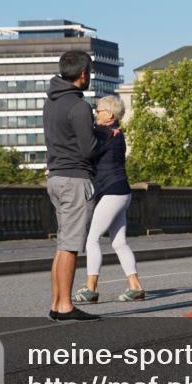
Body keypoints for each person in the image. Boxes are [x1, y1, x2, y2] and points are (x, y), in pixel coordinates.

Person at [43, 50, 112, 321]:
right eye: (89, 74)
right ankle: (65, 307)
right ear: (83, 75)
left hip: (56, 177)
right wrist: (105, 135)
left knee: (63, 244)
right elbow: (88, 149)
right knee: (70, 245)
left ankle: (57, 303)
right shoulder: (79, 106)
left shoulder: (51, 102)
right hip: (75, 180)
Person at [71, 95, 144, 304]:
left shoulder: (105, 133)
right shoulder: (115, 133)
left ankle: (90, 288)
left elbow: (85, 149)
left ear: (110, 114)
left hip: (112, 192)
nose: (95, 113)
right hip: (122, 192)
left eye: (99, 110)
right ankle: (135, 286)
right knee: (119, 243)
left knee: (92, 239)